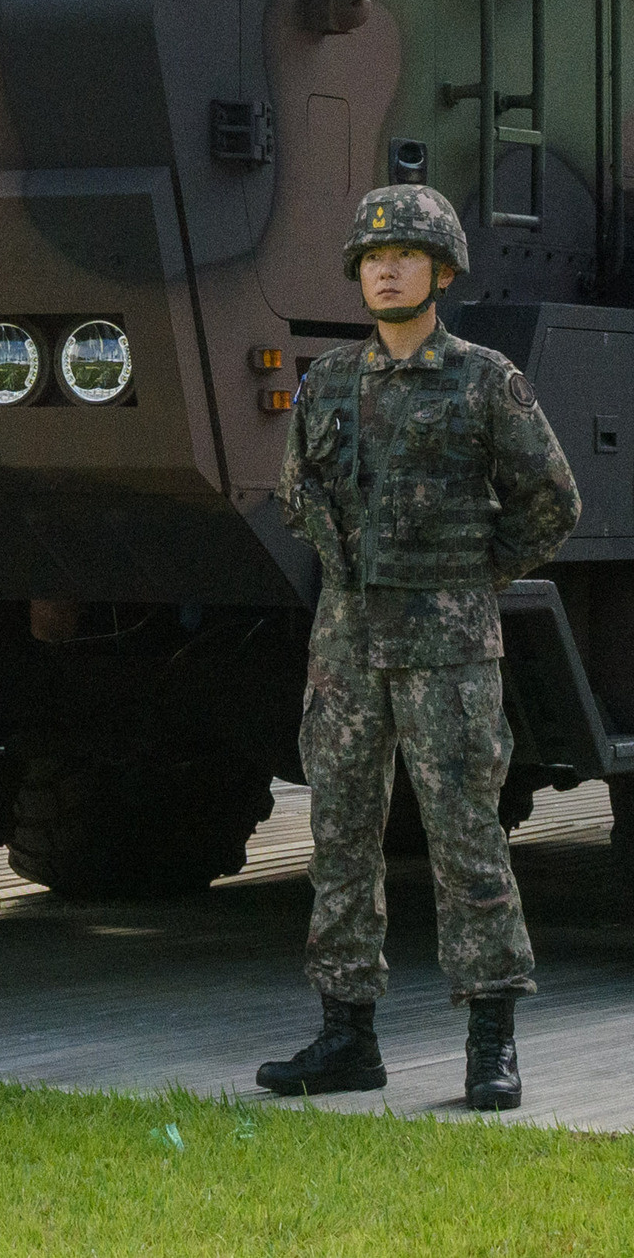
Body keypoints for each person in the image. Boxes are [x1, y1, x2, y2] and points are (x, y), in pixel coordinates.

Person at [258, 183, 580, 1109]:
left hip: (448, 650)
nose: (385, 268)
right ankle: (346, 1035)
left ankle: (491, 1040)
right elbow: (297, 493)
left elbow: (553, 502)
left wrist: (477, 574)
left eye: (404, 255)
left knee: (467, 838)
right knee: (340, 838)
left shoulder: (485, 380)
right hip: (349, 647)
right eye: (371, 257)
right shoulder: (325, 383)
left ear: (442, 272)